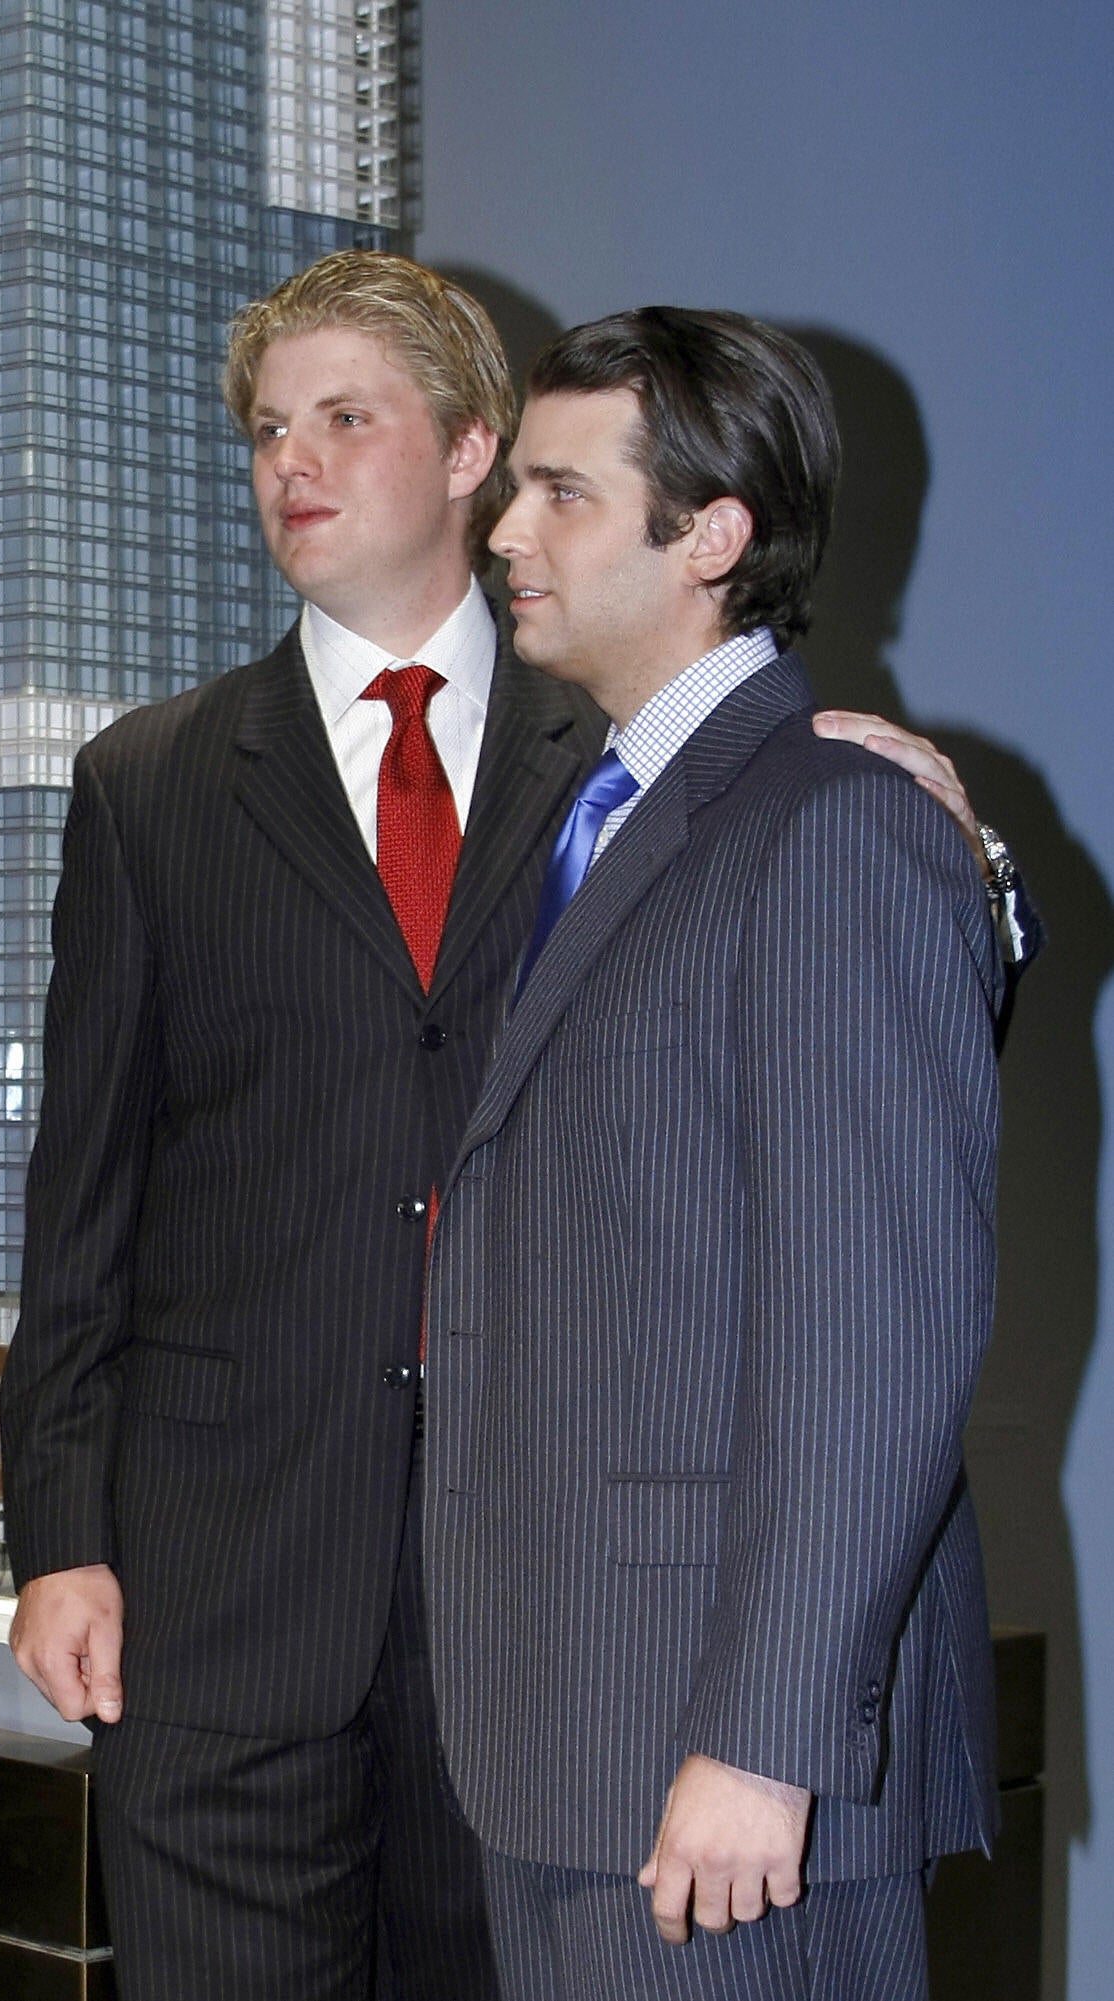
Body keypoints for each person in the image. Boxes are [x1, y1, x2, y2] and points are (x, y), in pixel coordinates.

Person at [0, 251, 1025, 2000]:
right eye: (265, 428)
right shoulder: (156, 780)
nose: (291, 461)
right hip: (253, 1586)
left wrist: (972, 876)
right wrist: (61, 1525)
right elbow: (84, 1189)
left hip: (592, 1648)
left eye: (344, 416)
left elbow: (865, 1205)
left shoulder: (670, 765)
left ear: (471, 453)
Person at [421, 307, 1000, 1999]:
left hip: (725, 1771)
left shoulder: (832, 828)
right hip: (568, 1738)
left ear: (712, 536)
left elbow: (873, 1334)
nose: (505, 533)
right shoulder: (588, 826)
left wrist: (765, 1736)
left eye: (559, 494)